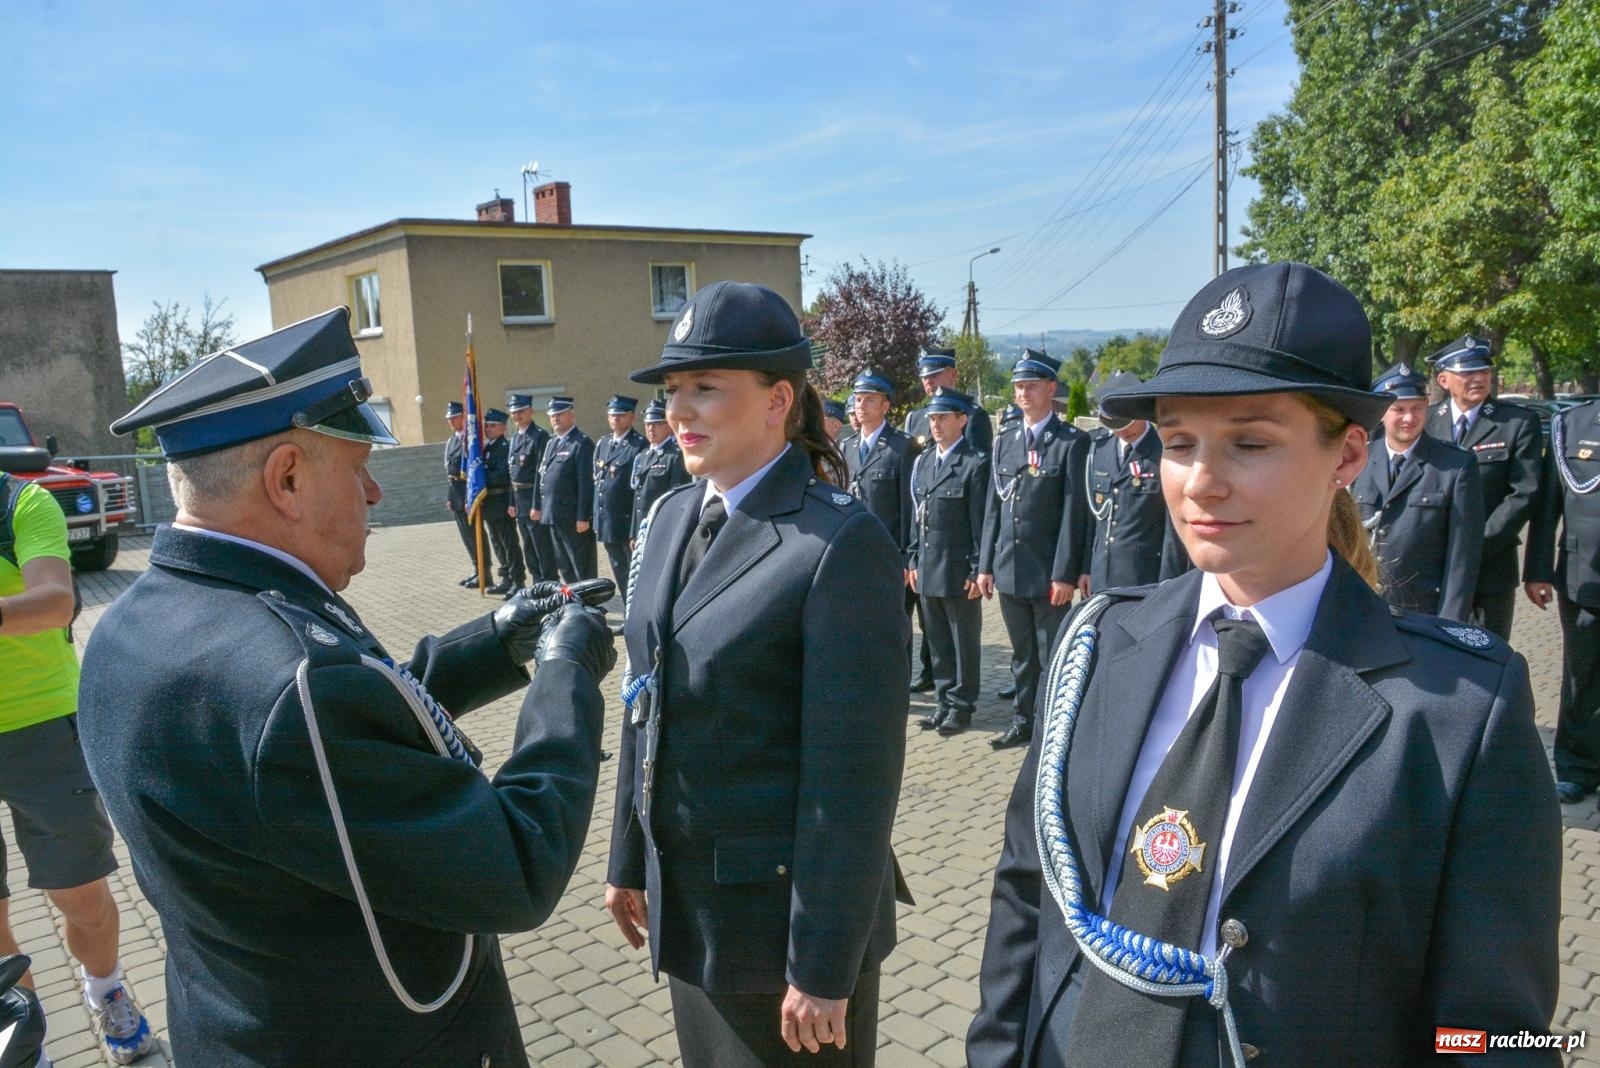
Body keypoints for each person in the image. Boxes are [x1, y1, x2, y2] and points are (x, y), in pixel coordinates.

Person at [970, 262, 1559, 1067]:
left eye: (1251, 442)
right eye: (1179, 442)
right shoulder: (1103, 642)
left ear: (1348, 456)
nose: (1201, 483)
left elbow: (1495, 1037)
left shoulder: (1457, 710)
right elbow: (1027, 891)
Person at [77, 308, 619, 1066]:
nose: (375, 494)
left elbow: (344, 747)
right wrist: (566, 674)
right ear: (288, 478)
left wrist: (497, 641)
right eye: (358, 466)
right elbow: (517, 865)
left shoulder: (130, 625)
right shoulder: (290, 676)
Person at [605, 281, 909, 1067]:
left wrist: (822, 963)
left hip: (783, 933)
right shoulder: (672, 515)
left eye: (706, 388)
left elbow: (853, 781)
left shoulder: (835, 543)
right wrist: (628, 856)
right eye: (673, 391)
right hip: (693, 910)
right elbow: (646, 698)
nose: (679, 411)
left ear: (779, 400)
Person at [0, 471, 157, 1065]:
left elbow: (55, 602)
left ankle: (106, 987)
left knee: (82, 898)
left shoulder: (20, 501)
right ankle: (22, 1041)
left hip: (41, 724)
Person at [976, 350, 1089, 750]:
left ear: (1050, 389)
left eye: (1031, 386)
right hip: (1009, 569)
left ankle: (1051, 729)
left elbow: (1074, 514)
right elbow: (994, 507)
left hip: (1047, 575)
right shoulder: (1005, 441)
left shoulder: (1071, 442)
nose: (1023, 393)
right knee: (1021, 656)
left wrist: (1064, 572)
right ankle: (1023, 722)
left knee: (1050, 656)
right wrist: (985, 565)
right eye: (1018, 387)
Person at [1424, 335, 1541, 640]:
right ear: (1444, 378)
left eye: (1484, 371)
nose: (1478, 378)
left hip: (1489, 567)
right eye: (1467, 372)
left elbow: (1524, 493)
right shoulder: (1425, 423)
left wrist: (1472, 545)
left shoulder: (1516, 423)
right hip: (1429, 566)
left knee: (1486, 656)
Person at [1351, 363, 1484, 621]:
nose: (1409, 418)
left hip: (1423, 612)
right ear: (1381, 412)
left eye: (1416, 408)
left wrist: (1449, 624)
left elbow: (1462, 558)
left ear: (1427, 404)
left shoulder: (1455, 466)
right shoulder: (1360, 458)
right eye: (1398, 409)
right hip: (1363, 608)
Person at [1525, 398, 1600, 805]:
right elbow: (1548, 504)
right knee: (1580, 678)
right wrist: (1537, 569)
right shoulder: (1572, 424)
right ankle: (1576, 769)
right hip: (1582, 575)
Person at [909, 387, 990, 736]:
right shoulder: (925, 461)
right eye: (932, 418)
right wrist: (913, 558)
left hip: (958, 572)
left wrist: (977, 568)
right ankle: (943, 700)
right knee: (938, 643)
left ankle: (961, 706)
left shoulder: (974, 463)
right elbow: (918, 516)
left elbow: (980, 523)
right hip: (927, 568)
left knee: (963, 644)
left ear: (962, 420)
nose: (936, 424)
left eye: (943, 418)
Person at [842, 369, 920, 689]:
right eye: (859, 399)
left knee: (894, 625)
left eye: (869, 399)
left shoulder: (902, 448)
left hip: (889, 555)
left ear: (885, 406)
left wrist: (906, 557)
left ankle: (896, 683)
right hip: (852, 554)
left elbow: (910, 508)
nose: (861, 405)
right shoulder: (846, 447)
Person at [1078, 371, 1189, 598]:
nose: (1122, 431)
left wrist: (1168, 583)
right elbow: (1092, 519)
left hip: (1143, 577)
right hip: (1101, 575)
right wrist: (1085, 568)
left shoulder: (1163, 451)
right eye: (1115, 425)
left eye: (1126, 423)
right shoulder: (1098, 449)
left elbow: (1172, 529)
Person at [537, 395, 598, 582]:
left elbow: (586, 484)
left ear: (572, 415)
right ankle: (573, 600)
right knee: (564, 564)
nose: (555, 418)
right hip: (553, 514)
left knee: (582, 565)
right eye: (552, 415)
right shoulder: (552, 443)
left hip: (572, 517)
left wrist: (583, 516)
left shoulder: (581, 443)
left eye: (560, 414)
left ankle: (589, 603)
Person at [594, 395, 647, 603]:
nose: (615, 419)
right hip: (608, 521)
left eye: (620, 414)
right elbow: (598, 483)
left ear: (631, 416)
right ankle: (627, 611)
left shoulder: (638, 446)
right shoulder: (604, 443)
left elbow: (637, 491)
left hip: (626, 522)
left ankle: (635, 612)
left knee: (633, 573)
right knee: (619, 572)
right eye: (611, 415)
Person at [508, 393, 558, 584]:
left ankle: (549, 582)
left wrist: (537, 504)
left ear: (530, 411)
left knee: (541, 546)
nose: (517, 416)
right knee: (528, 545)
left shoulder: (539, 436)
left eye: (521, 411)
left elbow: (540, 473)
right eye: (514, 412)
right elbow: (512, 474)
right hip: (520, 501)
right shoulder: (514, 439)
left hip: (532, 500)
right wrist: (512, 502)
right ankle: (537, 582)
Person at [629, 397, 692, 548]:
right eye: (648, 424)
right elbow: (637, 498)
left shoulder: (675, 456)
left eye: (657, 424)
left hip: (662, 528)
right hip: (643, 528)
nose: (651, 429)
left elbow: (676, 499)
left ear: (669, 426)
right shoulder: (643, 456)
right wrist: (634, 532)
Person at [480, 407, 525, 595]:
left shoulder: (505, 447)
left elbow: (502, 476)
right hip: (489, 502)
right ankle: (505, 576)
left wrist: (482, 474)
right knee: (497, 542)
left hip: (501, 500)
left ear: (503, 428)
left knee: (509, 543)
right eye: (486, 425)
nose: (487, 429)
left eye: (492, 426)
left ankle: (518, 580)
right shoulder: (488, 447)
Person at [442, 400, 479, 587]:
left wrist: (467, 497)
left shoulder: (468, 440)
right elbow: (450, 471)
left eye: (454, 417)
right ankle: (476, 568)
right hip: (456, 493)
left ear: (463, 417)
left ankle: (483, 571)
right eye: (449, 418)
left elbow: (470, 471)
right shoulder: (452, 440)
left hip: (468, 493)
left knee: (475, 535)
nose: (450, 421)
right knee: (466, 536)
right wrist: (450, 496)